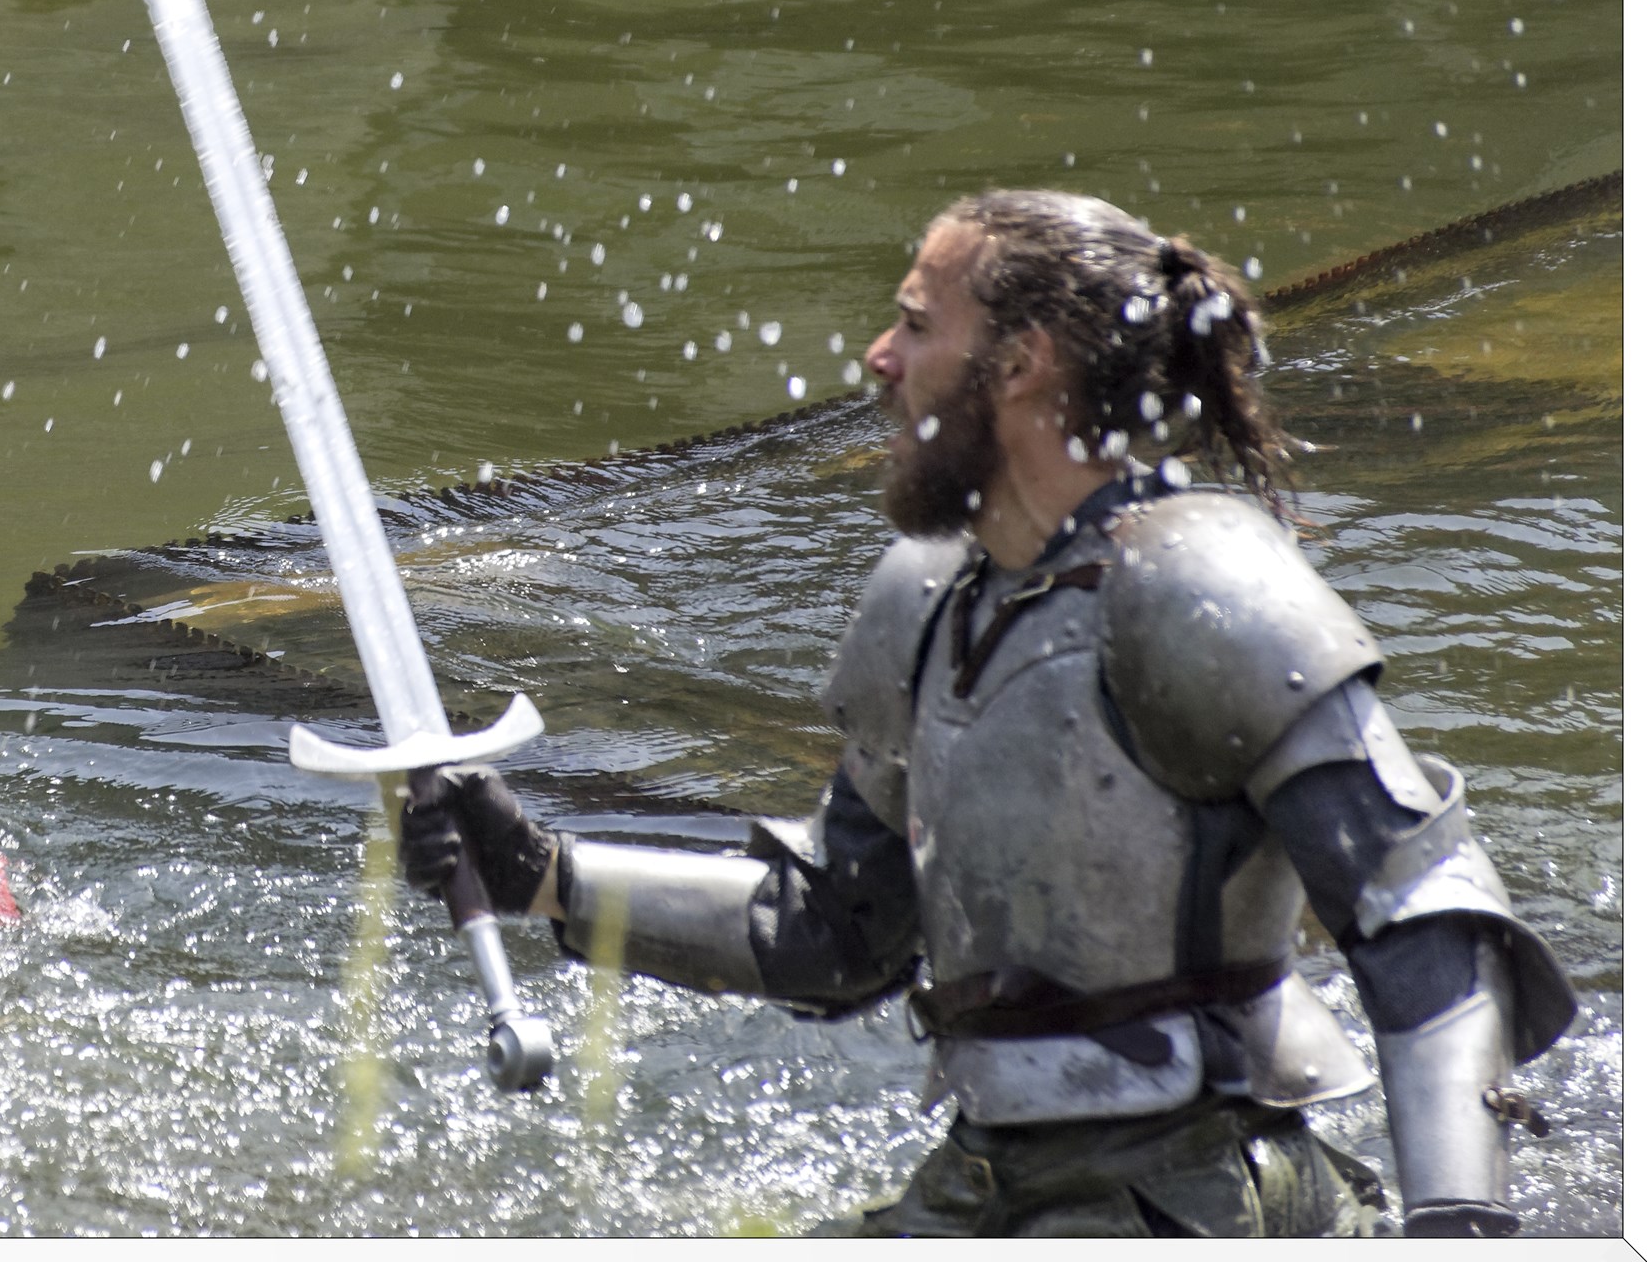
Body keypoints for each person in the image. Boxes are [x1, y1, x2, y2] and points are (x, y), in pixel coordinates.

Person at [403, 189, 1574, 1237]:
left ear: (1021, 363)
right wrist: (545, 874)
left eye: (916, 325)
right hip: (992, 1179)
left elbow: (1424, 917)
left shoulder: (1202, 586)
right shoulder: (924, 598)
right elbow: (838, 936)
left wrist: (1459, 1223)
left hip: (1196, 1191)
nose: (878, 358)